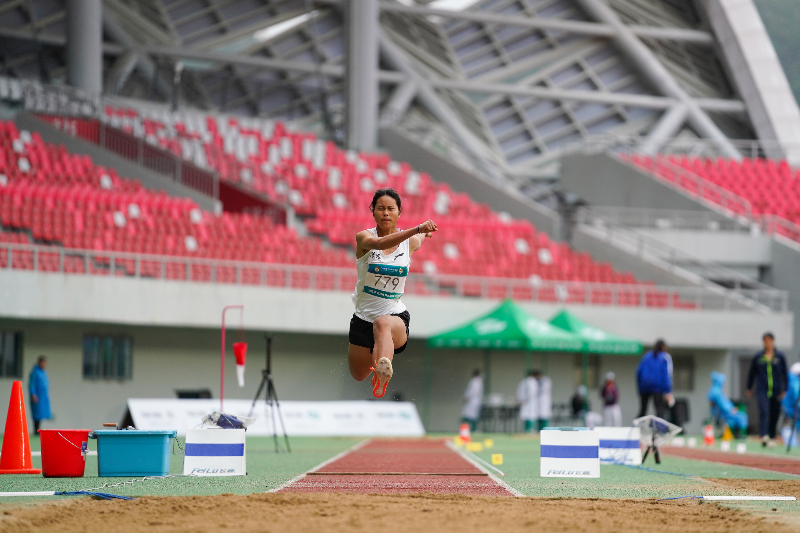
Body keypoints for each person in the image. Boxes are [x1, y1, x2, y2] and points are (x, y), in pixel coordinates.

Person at [348, 188, 437, 398]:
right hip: (362, 320)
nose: (386, 213)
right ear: (373, 212)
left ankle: (383, 369)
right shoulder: (364, 238)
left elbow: (422, 236)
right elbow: (380, 243)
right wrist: (418, 229)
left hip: (394, 316)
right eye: (380, 209)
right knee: (358, 375)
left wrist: (425, 231)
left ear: (399, 213)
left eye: (391, 209)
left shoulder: (411, 242)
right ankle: (377, 367)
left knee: (383, 322)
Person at [746, 332, 788, 447]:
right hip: (762, 389)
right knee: (764, 411)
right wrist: (749, 387)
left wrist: (785, 388)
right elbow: (752, 373)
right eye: (765, 341)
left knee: (774, 413)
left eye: (769, 341)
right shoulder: (758, 357)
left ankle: (772, 436)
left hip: (776, 389)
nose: (767, 343)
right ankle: (764, 435)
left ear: (773, 341)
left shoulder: (779, 356)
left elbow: (784, 373)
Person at [636, 339, 673, 419]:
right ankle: (659, 429)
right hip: (657, 387)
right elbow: (666, 375)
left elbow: (638, 372)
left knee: (643, 410)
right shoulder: (664, 357)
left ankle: (637, 428)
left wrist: (639, 388)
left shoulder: (646, 356)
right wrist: (668, 391)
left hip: (644, 387)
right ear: (663, 347)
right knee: (659, 411)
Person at [708, 372, 747, 438]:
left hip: (724, 411)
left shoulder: (717, 390)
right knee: (740, 417)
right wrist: (730, 410)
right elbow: (722, 405)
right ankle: (737, 434)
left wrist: (731, 408)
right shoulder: (716, 392)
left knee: (741, 415)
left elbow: (725, 402)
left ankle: (736, 434)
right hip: (723, 413)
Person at [28, 355, 51, 434]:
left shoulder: (43, 372)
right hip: (37, 396)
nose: (44, 364)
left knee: (41, 413)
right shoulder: (35, 372)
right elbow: (32, 384)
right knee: (36, 413)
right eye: (43, 362)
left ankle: (38, 429)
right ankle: (36, 430)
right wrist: (33, 394)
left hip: (43, 397)